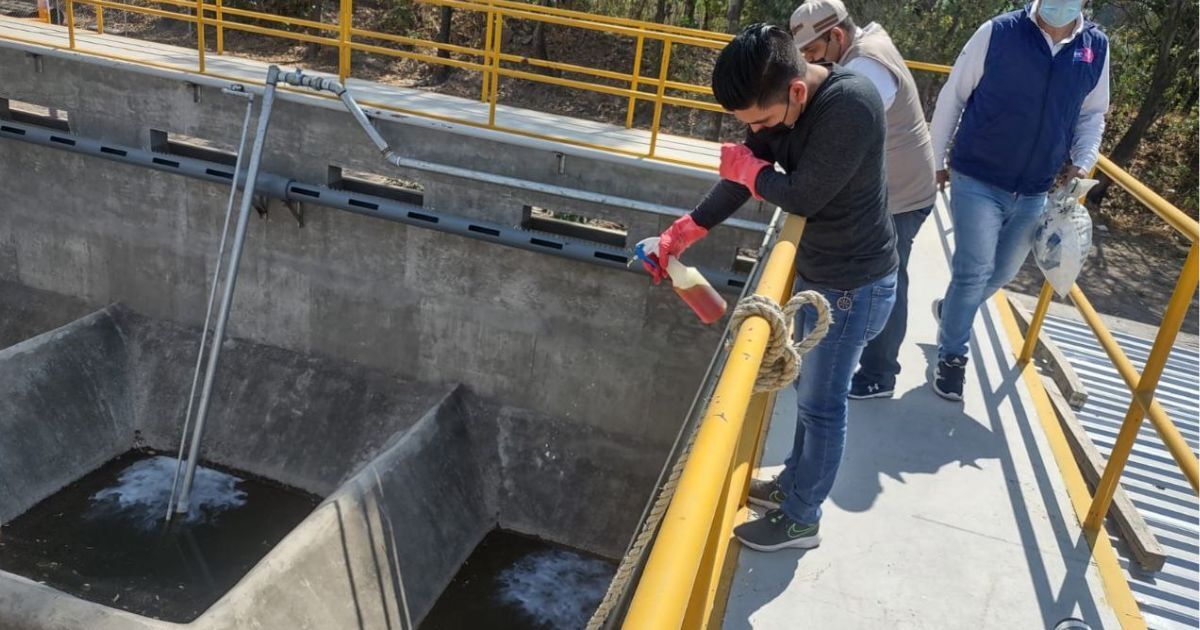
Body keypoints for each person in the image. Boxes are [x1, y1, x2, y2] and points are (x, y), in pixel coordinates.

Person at [643, 24, 896, 552]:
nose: (756, 130)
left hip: (854, 284)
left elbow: (801, 195)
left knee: (823, 407)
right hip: (823, 272)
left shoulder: (851, 106)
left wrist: (752, 170)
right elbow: (746, 175)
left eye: (760, 121)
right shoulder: (780, 100)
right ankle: (793, 486)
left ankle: (803, 519)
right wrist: (682, 233)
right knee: (809, 399)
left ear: (797, 91)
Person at [928, 0, 1109, 401]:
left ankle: (953, 310)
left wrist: (1083, 160)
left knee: (1003, 273)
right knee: (973, 269)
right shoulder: (999, 32)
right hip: (976, 175)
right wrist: (936, 159)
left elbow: (1092, 114)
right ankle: (952, 357)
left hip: (1035, 187)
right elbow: (954, 96)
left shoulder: (1095, 47)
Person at [789, 0, 938, 400]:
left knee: (887, 278)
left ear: (836, 35)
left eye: (813, 53)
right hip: (897, 185)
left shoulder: (865, 66)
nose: (810, 62)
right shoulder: (863, 45)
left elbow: (836, 130)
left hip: (902, 194)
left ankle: (879, 373)